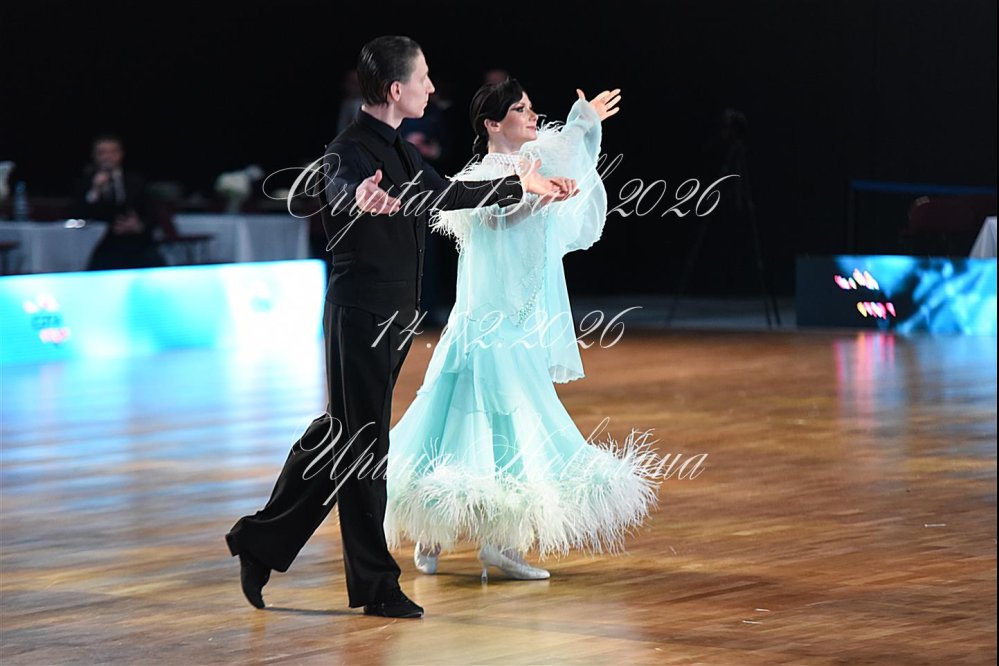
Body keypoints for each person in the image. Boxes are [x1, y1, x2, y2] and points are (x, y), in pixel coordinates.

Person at [224, 38, 572, 619]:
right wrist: (357, 198)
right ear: (395, 89)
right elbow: (337, 188)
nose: (430, 87)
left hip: (391, 317)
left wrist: (520, 186)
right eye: (423, 77)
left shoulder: (401, 151)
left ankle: (261, 541)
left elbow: (448, 194)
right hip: (361, 313)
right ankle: (375, 584)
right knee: (363, 446)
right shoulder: (349, 150)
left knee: (343, 436)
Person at [384, 79, 662, 580]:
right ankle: (435, 526)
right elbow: (491, 220)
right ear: (493, 123)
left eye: (532, 107)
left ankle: (501, 541)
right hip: (484, 326)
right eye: (520, 109)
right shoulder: (480, 176)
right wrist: (533, 197)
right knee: (456, 423)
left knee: (509, 431)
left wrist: (583, 122)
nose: (533, 116)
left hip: (521, 327)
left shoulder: (535, 164)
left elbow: (569, 157)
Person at [73, 134, 165, 270]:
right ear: (94, 156)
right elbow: (78, 214)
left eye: (112, 152)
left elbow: (152, 212)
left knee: (155, 262)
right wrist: (95, 190)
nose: (107, 157)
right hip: (102, 243)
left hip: (136, 241)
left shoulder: (136, 180)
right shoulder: (85, 182)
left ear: (120, 154)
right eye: (102, 153)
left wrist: (139, 225)